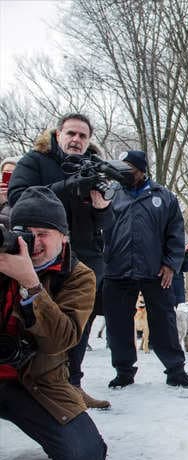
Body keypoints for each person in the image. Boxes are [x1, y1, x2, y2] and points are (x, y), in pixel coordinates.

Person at [0, 187, 107, 460]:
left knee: (85, 457)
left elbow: (61, 340)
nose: (32, 242)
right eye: (24, 231)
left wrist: (31, 285)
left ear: (64, 236)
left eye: (43, 233)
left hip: (40, 381)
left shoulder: (79, 275)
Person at [9, 113, 112, 409]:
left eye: (83, 136)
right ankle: (27, 385)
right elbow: (18, 199)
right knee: (37, 321)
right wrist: (69, 184)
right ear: (58, 135)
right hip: (39, 256)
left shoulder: (95, 168)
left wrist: (102, 206)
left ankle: (73, 384)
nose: (77, 140)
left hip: (85, 257)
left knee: (77, 325)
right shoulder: (34, 161)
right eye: (72, 134)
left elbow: (107, 221)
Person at [102, 150, 188, 388]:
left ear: (141, 171)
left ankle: (175, 369)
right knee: (118, 323)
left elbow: (176, 234)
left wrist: (171, 265)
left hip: (155, 270)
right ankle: (123, 371)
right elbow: (98, 227)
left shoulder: (164, 197)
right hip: (117, 269)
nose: (123, 173)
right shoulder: (110, 194)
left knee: (164, 320)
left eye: (128, 169)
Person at [172, 240, 188, 307]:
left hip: (177, 288)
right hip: (162, 286)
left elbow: (187, 267)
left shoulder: (179, 248)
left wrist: (187, 252)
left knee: (175, 314)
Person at [0, 156, 20, 228]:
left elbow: (12, 223)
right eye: (5, 172)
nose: (9, 175)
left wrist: (5, 203)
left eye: (12, 172)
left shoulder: (24, 194)